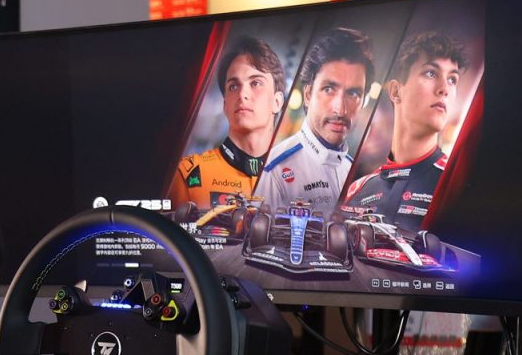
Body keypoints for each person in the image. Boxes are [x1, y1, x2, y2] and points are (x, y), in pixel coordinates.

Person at [342, 32, 467, 241]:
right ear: (395, 91)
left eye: (452, 79)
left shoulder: (455, 186)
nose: (445, 89)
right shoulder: (357, 189)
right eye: (430, 73)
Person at [255, 27, 373, 218]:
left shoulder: (356, 176)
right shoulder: (274, 170)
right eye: (328, 89)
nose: (340, 109)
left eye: (353, 93)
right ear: (308, 94)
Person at [168, 36, 286, 216]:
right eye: (233, 86)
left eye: (255, 83)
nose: (242, 94)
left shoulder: (298, 180)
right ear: (225, 106)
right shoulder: (188, 173)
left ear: (277, 102)